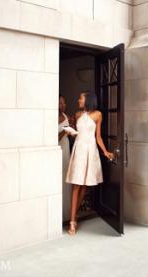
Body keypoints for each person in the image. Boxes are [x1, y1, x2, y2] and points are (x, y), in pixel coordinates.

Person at [64, 92, 114, 235]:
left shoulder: (98, 114)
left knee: (85, 185)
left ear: (87, 100)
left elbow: (98, 137)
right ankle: (72, 221)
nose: (78, 100)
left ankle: (75, 213)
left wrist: (105, 151)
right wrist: (71, 133)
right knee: (76, 185)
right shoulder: (78, 114)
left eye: (81, 98)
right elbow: (75, 132)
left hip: (91, 151)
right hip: (79, 150)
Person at [58, 96, 73, 222]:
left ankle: (67, 213)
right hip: (57, 150)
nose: (63, 104)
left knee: (65, 175)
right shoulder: (52, 117)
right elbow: (54, 139)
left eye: (64, 102)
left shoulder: (66, 115)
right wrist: (65, 131)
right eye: (60, 103)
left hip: (66, 148)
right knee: (58, 177)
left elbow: (70, 133)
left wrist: (72, 129)